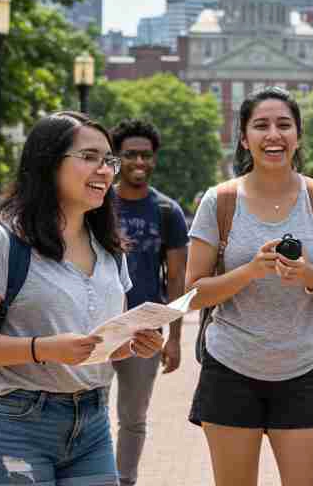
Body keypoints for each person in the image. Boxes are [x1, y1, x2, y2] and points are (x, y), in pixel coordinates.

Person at [185, 87, 313, 486]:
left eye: (284, 125)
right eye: (260, 126)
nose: (273, 135)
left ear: (298, 135)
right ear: (244, 138)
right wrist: (250, 271)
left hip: (304, 370)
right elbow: (191, 294)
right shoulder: (219, 201)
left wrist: (311, 277)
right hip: (229, 370)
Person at [0, 111, 165, 485]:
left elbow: (102, 347)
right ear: (47, 162)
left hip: (91, 421)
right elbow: (57, 347)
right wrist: (43, 348)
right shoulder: (4, 242)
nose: (105, 170)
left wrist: (132, 344)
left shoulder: (110, 250)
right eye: (89, 157)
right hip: (15, 422)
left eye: (108, 160)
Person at [109, 119, 190, 486]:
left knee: (133, 417)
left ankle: (125, 481)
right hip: (96, 326)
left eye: (146, 155)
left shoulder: (167, 212)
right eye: (130, 154)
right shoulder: (96, 203)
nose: (139, 161)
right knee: (83, 406)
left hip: (144, 330)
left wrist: (174, 338)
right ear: (116, 159)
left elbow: (175, 279)